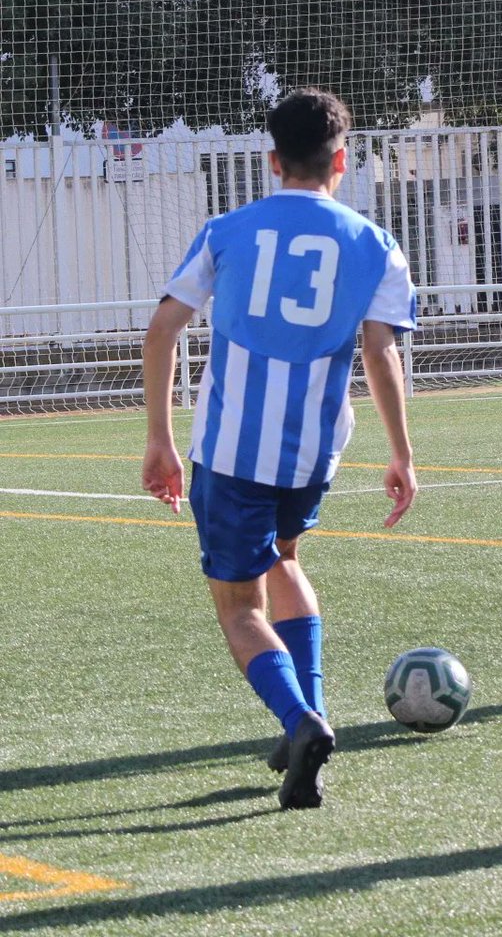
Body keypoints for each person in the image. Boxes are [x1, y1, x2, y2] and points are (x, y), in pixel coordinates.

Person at [141, 87, 419, 810]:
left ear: (272, 160)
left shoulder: (227, 230)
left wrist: (160, 439)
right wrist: (401, 452)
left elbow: (162, 330)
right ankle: (309, 711)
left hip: (232, 450)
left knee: (239, 607)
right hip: (313, 451)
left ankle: (300, 720)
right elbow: (380, 352)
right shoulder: (376, 244)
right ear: (341, 160)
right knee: (285, 558)